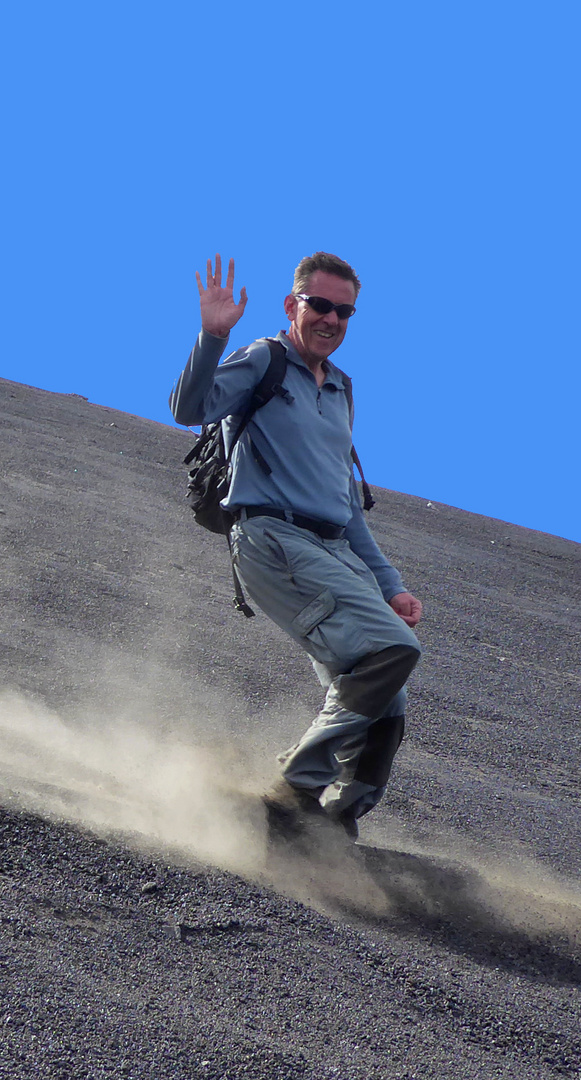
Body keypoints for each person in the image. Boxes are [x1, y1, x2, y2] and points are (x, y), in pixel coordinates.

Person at [170, 252, 423, 846]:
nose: (331, 319)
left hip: (330, 552)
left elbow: (346, 510)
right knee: (393, 650)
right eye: (320, 305)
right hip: (271, 540)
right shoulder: (266, 359)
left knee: (389, 696)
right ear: (293, 305)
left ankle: (333, 825)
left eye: (344, 311)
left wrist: (391, 585)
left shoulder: (339, 390)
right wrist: (212, 337)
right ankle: (295, 789)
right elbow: (189, 409)